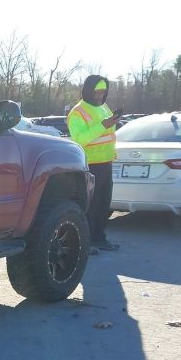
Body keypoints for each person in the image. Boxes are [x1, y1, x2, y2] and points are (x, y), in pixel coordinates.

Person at [67, 75, 120, 252]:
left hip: (106, 162)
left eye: (103, 92)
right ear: (89, 91)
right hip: (90, 165)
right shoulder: (78, 112)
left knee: (104, 204)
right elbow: (80, 139)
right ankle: (84, 242)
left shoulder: (104, 108)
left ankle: (99, 238)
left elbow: (107, 133)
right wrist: (103, 125)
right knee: (89, 206)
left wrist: (112, 123)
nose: (100, 95)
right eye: (97, 91)